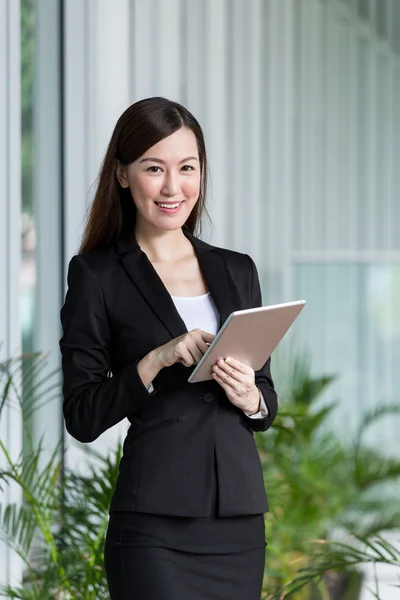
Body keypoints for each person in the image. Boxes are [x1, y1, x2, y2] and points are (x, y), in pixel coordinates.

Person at [59, 96, 278, 600]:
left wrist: (251, 397)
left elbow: (264, 398)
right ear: (122, 174)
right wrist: (156, 360)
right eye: (153, 168)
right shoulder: (97, 275)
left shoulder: (237, 269)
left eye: (187, 167)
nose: (172, 187)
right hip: (154, 525)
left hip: (238, 523)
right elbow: (82, 415)